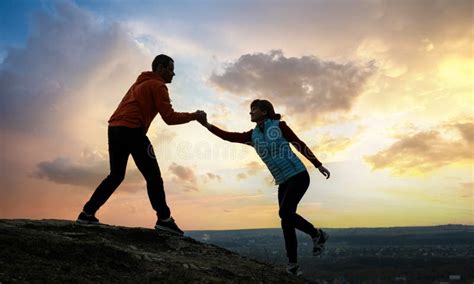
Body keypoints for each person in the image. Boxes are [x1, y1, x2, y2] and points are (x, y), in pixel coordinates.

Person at [77, 54, 206, 236]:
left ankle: (87, 213)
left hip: (114, 129)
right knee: (153, 176)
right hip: (133, 130)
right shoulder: (157, 85)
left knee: (116, 175)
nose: (173, 73)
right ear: (160, 68)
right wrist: (194, 116)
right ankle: (164, 220)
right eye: (170, 69)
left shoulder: (138, 83)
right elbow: (169, 118)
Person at [198, 99, 330, 276]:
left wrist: (318, 164)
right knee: (286, 221)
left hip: (298, 175)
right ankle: (293, 266)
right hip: (283, 182)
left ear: (265, 112)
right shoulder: (252, 136)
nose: (250, 112)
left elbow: (299, 144)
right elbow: (228, 136)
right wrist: (206, 124)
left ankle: (316, 234)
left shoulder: (279, 126)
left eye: (254, 109)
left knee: (284, 213)